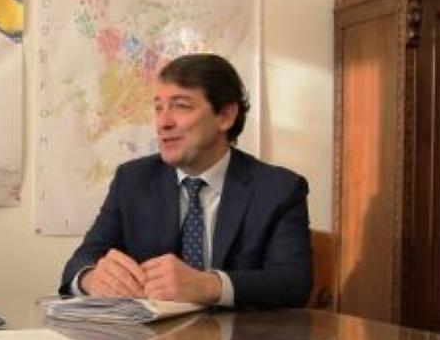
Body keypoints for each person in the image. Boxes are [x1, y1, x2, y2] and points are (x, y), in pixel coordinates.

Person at [59, 53, 311, 309]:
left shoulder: (278, 189)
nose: (163, 123)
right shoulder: (133, 180)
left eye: (181, 106)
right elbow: (80, 262)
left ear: (225, 116)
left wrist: (207, 285)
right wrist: (91, 279)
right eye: (158, 107)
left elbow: (292, 284)